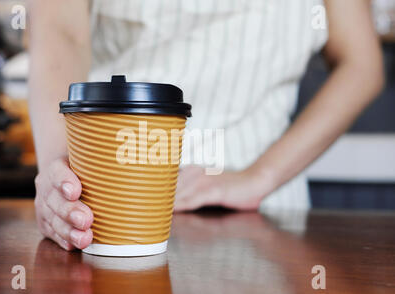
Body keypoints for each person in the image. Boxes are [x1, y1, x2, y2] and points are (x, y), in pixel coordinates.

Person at [28, 0, 384, 250]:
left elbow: (360, 64)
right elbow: (60, 31)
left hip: (264, 214)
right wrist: (60, 179)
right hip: (109, 199)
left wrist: (259, 177)